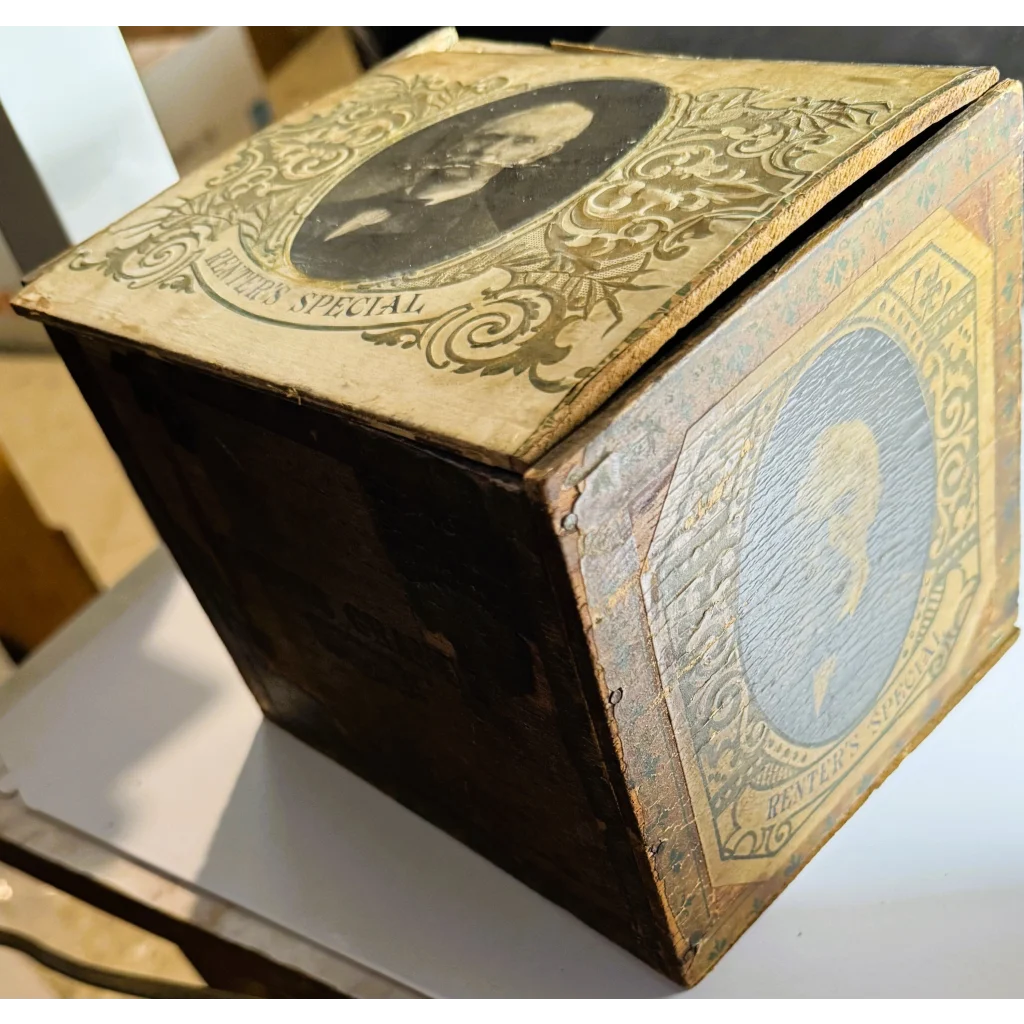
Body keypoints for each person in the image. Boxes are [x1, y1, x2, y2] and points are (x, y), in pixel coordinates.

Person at [290, 101, 595, 282]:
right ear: (469, 133)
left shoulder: (468, 237)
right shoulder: (353, 182)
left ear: (536, 155)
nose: (487, 150)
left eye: (519, 142)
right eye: (489, 135)